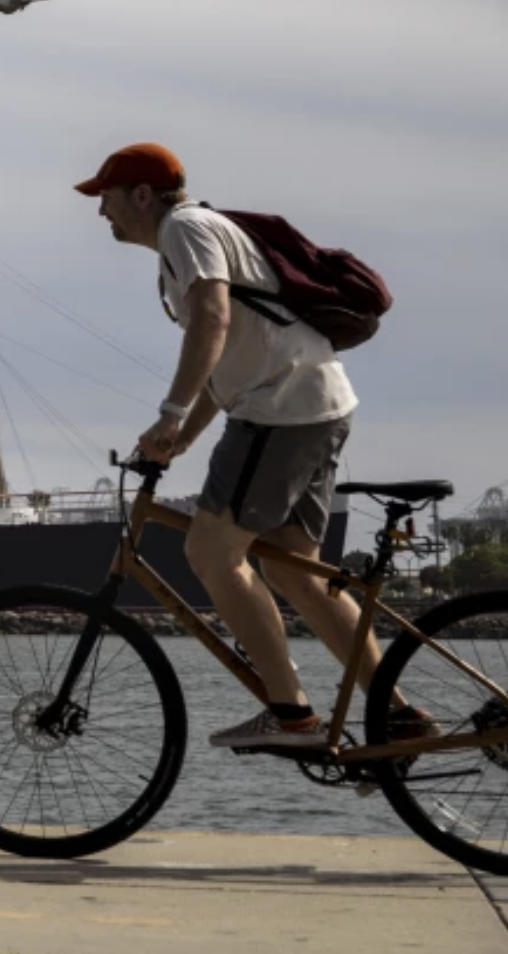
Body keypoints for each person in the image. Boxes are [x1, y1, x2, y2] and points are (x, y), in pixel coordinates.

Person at [77, 143, 432, 751]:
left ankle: (291, 715)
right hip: (311, 403)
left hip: (280, 411)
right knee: (293, 571)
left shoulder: (184, 229)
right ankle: (396, 717)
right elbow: (231, 353)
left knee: (212, 551)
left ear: (142, 195)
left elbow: (213, 322)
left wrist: (169, 414)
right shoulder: (198, 233)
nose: (100, 212)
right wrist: (182, 438)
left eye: (105, 198)